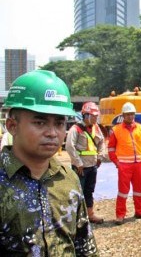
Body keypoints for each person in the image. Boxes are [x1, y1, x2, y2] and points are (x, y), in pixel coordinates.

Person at [0, 70, 98, 255]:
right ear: (12, 126)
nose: (52, 133)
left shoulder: (68, 179)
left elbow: (84, 244)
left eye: (59, 123)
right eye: (40, 123)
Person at [108, 101, 141, 225]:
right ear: (123, 115)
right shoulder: (116, 130)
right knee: (123, 191)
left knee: (139, 190)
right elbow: (111, 148)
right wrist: (116, 162)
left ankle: (140, 211)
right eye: (128, 114)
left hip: (139, 164)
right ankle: (120, 215)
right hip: (124, 165)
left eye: (132, 114)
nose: (130, 117)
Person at [66, 101, 105, 224]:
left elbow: (102, 142)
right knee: (78, 192)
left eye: (96, 116)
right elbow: (69, 146)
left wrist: (100, 156)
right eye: (93, 116)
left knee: (89, 190)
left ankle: (90, 214)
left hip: (92, 166)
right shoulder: (75, 129)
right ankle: (77, 218)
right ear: (86, 115)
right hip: (80, 167)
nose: (95, 118)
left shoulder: (96, 128)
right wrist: (78, 163)